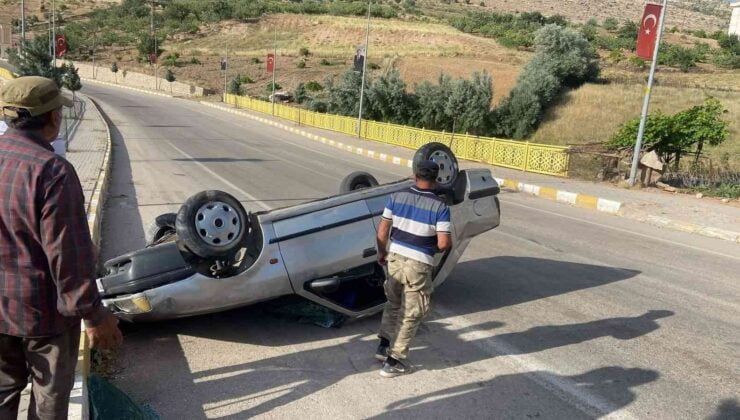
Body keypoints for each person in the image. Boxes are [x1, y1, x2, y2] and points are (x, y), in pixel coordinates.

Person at [0, 76, 123, 419]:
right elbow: (67, 256)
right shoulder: (52, 171)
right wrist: (95, 316)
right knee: (49, 403)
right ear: (53, 117)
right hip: (43, 315)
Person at [375, 160, 452, 377]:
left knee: (393, 302)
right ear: (436, 179)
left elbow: (382, 231)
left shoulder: (396, 197)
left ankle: (383, 346)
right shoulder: (440, 206)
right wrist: (429, 247)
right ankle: (394, 361)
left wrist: (382, 252)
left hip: (395, 258)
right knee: (412, 312)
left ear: (414, 175)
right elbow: (444, 243)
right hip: (418, 263)